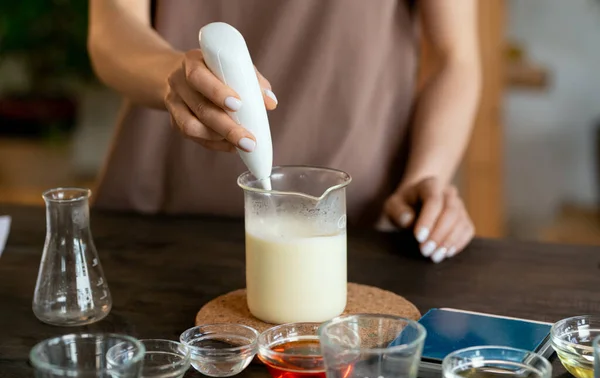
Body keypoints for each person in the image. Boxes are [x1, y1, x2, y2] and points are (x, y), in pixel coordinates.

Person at [87, 0, 480, 264]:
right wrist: (171, 76)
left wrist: (426, 177)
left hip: (354, 230)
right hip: (157, 220)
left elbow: (454, 57)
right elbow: (112, 30)